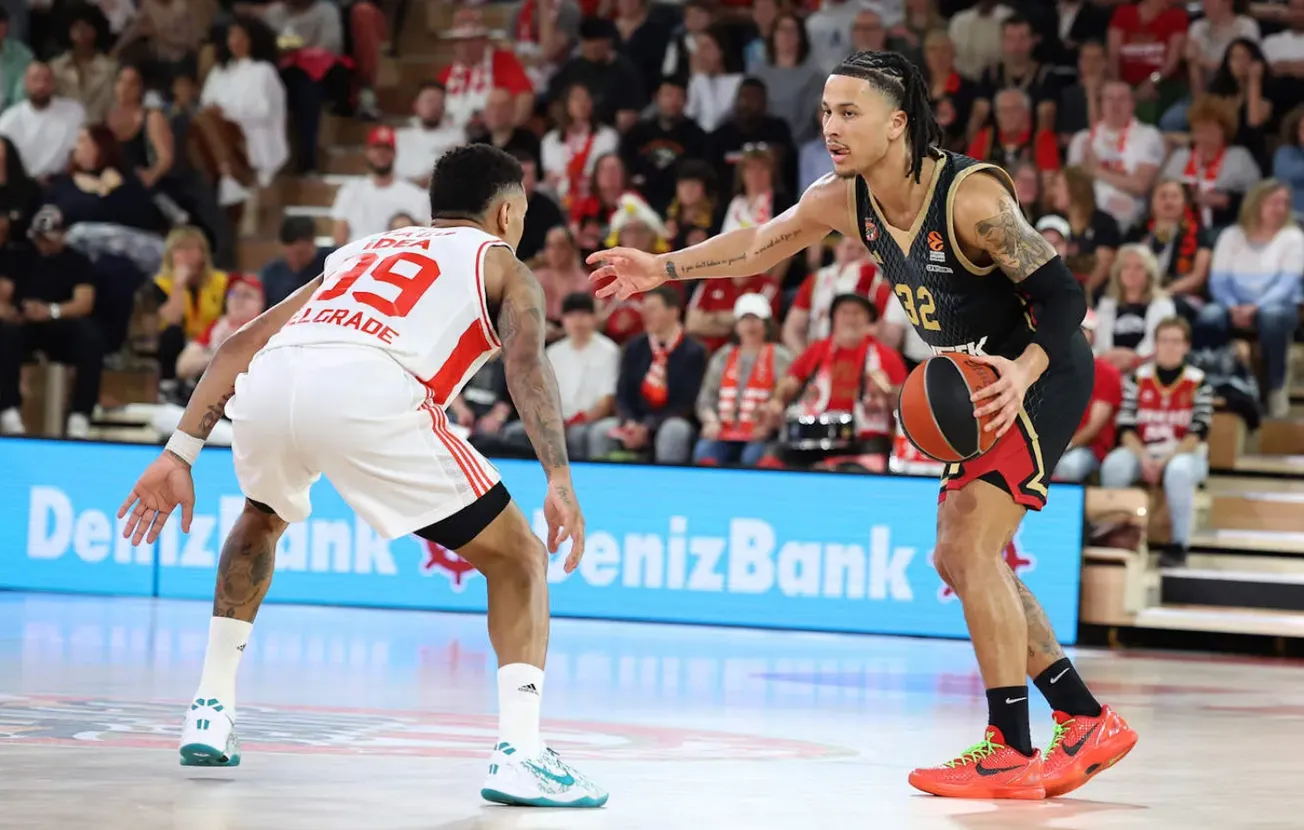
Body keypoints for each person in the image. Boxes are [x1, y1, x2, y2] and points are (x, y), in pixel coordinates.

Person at [587, 49, 1135, 799]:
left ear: (898, 122)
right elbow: (757, 246)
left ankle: (1011, 748)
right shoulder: (843, 198)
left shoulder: (970, 198)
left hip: (1035, 372)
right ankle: (1083, 718)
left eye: (850, 113)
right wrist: (663, 268)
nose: (832, 128)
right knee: (958, 558)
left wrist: (1023, 371)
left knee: (969, 548)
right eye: (825, 113)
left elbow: (1065, 296)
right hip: (977, 380)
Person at [116, 144, 607, 807]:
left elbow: (241, 344)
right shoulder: (502, 263)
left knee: (261, 516)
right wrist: (559, 477)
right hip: (369, 388)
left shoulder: (360, 252)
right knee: (520, 557)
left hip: (275, 381)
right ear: (507, 212)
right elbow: (526, 365)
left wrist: (179, 453)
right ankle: (521, 754)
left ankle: (210, 707)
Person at [1099, 317, 1214, 567]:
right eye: (1164, 341)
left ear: (1186, 346)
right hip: (1143, 449)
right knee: (1114, 465)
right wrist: (1144, 458)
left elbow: (1198, 432)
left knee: (1178, 472)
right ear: (1155, 345)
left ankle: (1179, 545)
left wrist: (1163, 461)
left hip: (1185, 454)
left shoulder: (1198, 381)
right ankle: (1111, 534)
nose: (1169, 347)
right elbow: (1125, 428)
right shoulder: (1138, 378)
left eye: (1176, 341)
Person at [1202, 178, 1303, 417]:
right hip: (1234, 304)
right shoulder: (1231, 235)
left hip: (1276, 305)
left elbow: (1286, 285)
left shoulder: (1293, 237)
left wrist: (1255, 307)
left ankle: (1275, 386)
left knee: (1272, 316)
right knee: (1209, 316)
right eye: (1274, 202)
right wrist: (1232, 306)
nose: (1280, 208)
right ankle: (1214, 381)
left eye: (1285, 203)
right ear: (1256, 203)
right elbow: (1218, 281)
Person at [0, 204, 103, 438]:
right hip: (22, 324)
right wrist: (12, 312)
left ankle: (80, 415)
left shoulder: (77, 261)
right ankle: (8, 410)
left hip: (59, 323)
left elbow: (84, 302)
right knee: (6, 334)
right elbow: (3, 296)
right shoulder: (16, 257)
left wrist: (51, 311)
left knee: (90, 337)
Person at [587, 286, 706, 464]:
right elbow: (622, 392)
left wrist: (648, 426)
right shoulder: (634, 347)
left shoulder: (694, 352)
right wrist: (630, 422)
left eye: (652, 309)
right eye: (644, 309)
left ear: (673, 312)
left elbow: (687, 402)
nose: (645, 315)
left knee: (674, 431)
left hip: (670, 420)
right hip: (635, 420)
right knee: (600, 432)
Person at [502, 291, 619, 461]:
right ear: (563, 320)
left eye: (583, 315)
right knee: (515, 432)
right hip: (555, 420)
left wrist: (575, 421)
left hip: (588, 420)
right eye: (571, 316)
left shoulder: (608, 351)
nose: (577, 321)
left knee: (577, 434)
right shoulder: (554, 352)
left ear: (594, 318)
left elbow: (606, 400)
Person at [695, 293, 792, 466]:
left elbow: (788, 397)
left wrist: (770, 422)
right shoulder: (723, 356)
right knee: (705, 451)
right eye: (745, 319)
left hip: (763, 433)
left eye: (755, 319)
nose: (750, 325)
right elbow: (706, 398)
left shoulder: (781, 357)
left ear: (766, 324)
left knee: (752, 457)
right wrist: (711, 421)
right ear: (737, 325)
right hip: (724, 431)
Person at [1053, 310, 1122, 482]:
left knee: (1067, 466)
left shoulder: (1106, 373)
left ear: (1093, 335)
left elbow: (1093, 427)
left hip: (1088, 448)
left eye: (1083, 330)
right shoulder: (1052, 369)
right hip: (1052, 444)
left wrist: (1061, 448)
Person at [330, 126, 428, 244]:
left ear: (394, 153)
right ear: (368, 152)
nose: (382, 153)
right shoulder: (350, 191)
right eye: (377, 148)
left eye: (387, 148)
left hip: (395, 253)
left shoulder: (414, 195)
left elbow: (421, 237)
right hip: (357, 252)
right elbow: (339, 237)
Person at [1092, 243, 1178, 372]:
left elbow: (1159, 343)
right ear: (1118, 272)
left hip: (1147, 370)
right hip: (1108, 370)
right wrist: (1110, 360)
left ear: (1149, 272)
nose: (1132, 272)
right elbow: (1097, 343)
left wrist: (1133, 361)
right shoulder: (1106, 304)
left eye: (1139, 267)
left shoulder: (1163, 305)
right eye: (1126, 267)